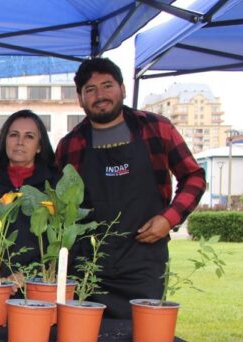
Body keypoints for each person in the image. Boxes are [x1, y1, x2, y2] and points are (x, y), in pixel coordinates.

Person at [56, 57, 207, 318]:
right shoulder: (70, 145)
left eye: (107, 86)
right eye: (90, 90)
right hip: (88, 266)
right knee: (84, 337)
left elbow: (194, 177)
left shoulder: (156, 128)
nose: (100, 96)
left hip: (144, 263)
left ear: (123, 89)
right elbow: (60, 205)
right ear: (80, 99)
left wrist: (168, 219)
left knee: (141, 337)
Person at [0, 109, 58, 285]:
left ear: (39, 146)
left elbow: (67, 244)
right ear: (5, 141)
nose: (20, 142)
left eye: (29, 136)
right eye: (14, 135)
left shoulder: (55, 186)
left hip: (42, 284)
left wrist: (31, 275)